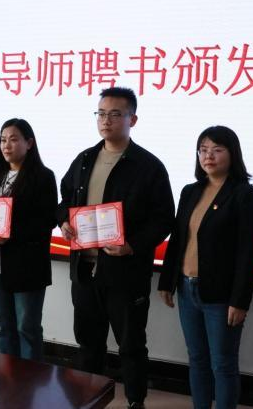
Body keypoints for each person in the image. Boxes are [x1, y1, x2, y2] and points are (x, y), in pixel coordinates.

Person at [57, 87, 175, 409]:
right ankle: (88, 400)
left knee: (131, 346)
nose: (105, 120)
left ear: (132, 119)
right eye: (101, 113)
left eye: (114, 114)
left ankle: (135, 402)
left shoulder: (148, 166)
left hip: (125, 273)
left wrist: (131, 246)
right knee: (88, 345)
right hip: (85, 270)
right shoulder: (84, 159)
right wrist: (64, 221)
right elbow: (64, 200)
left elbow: (164, 219)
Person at [157, 126, 253, 409]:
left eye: (217, 150)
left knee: (223, 364)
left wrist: (240, 300)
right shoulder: (191, 191)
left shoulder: (244, 195)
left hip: (221, 295)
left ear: (232, 154)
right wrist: (166, 281)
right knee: (197, 359)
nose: (209, 156)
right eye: (203, 150)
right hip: (187, 288)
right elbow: (178, 239)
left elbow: (250, 253)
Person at [0, 118, 57, 361]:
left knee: (27, 328)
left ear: (29, 143)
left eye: (13, 139)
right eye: (3, 140)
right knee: (3, 327)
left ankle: (30, 380)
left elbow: (46, 221)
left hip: (27, 265)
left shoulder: (43, 176)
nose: (6, 145)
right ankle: (7, 378)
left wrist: (10, 235)